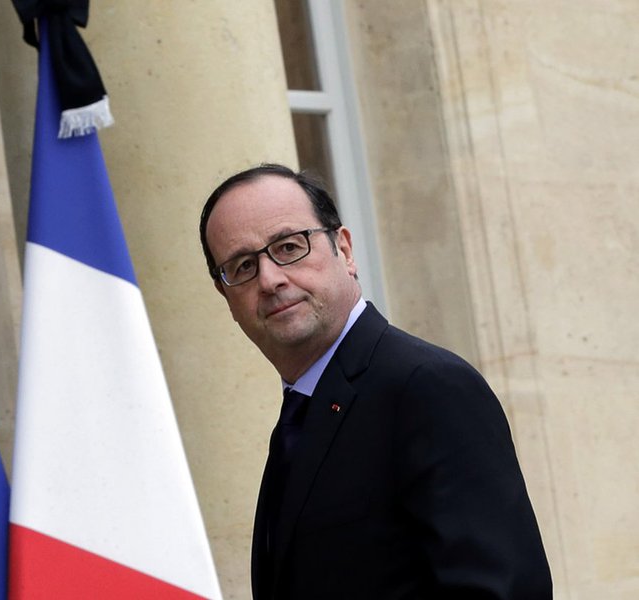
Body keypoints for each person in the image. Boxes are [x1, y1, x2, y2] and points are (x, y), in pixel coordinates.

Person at [199, 164, 552, 599]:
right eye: (243, 266)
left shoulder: (426, 387)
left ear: (344, 250)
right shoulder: (303, 408)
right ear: (226, 296)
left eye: (289, 246)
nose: (270, 279)